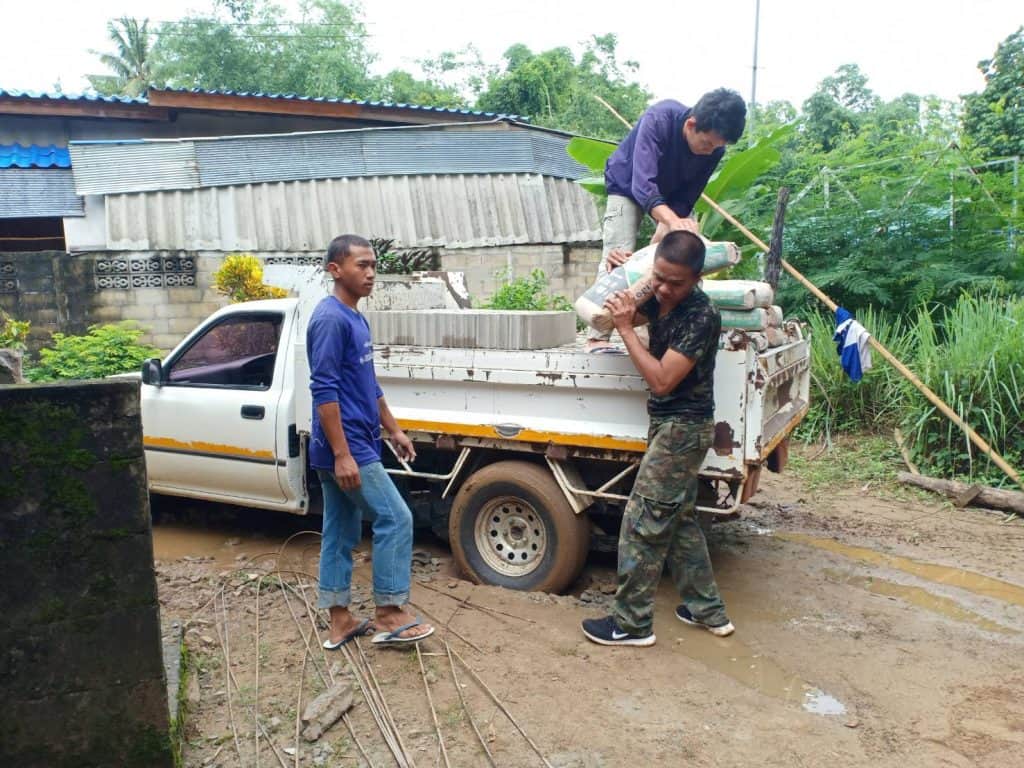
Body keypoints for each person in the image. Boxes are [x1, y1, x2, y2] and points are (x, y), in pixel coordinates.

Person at [581, 230, 734, 646]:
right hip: (671, 426)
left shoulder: (702, 315)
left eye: (676, 283)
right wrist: (618, 278)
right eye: (659, 279)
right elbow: (606, 307)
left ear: (697, 278)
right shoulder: (661, 297)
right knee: (679, 520)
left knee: (642, 523)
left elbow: (663, 381)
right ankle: (708, 611)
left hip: (682, 429)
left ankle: (631, 624)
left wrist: (627, 329)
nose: (664, 289)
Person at [307, 234, 434, 648]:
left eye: (373, 265)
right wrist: (342, 454)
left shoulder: (356, 318)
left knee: (340, 529)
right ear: (335, 270)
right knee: (396, 518)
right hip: (345, 447)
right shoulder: (329, 319)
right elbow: (323, 390)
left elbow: (367, 383)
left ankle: (340, 619)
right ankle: (389, 613)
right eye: (361, 265)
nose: (371, 273)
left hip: (357, 440)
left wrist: (393, 429)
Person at [586, 88, 746, 354]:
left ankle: (664, 336)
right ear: (691, 124)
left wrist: (666, 232)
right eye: (707, 144)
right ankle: (598, 337)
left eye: (717, 147)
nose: (710, 152)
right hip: (628, 186)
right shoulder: (658, 119)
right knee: (618, 255)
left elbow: (688, 195)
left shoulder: (714, 150)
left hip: (672, 198)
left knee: (682, 259)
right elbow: (642, 185)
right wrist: (671, 220)